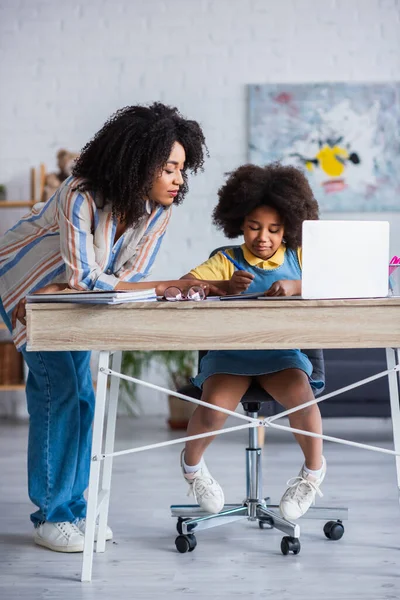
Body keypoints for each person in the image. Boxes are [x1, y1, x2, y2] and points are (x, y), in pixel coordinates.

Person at [0, 102, 213, 553]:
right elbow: (88, 278)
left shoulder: (158, 209)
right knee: (59, 395)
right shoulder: (81, 193)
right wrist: (165, 286)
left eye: (182, 169)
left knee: (80, 397)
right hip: (27, 289)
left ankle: (74, 511)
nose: (179, 179)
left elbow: (126, 279)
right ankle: (51, 517)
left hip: (71, 300)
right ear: (139, 164)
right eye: (170, 168)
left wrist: (157, 288)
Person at [179, 162, 325, 521]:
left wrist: (296, 286)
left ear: (288, 228)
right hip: (231, 355)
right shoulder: (225, 260)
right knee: (213, 410)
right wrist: (221, 287)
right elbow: (184, 286)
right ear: (239, 224)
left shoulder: (298, 257)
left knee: (301, 398)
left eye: (275, 230)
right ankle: (192, 468)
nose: (264, 237)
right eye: (254, 227)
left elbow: (335, 282)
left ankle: (312, 473)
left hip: (281, 354)